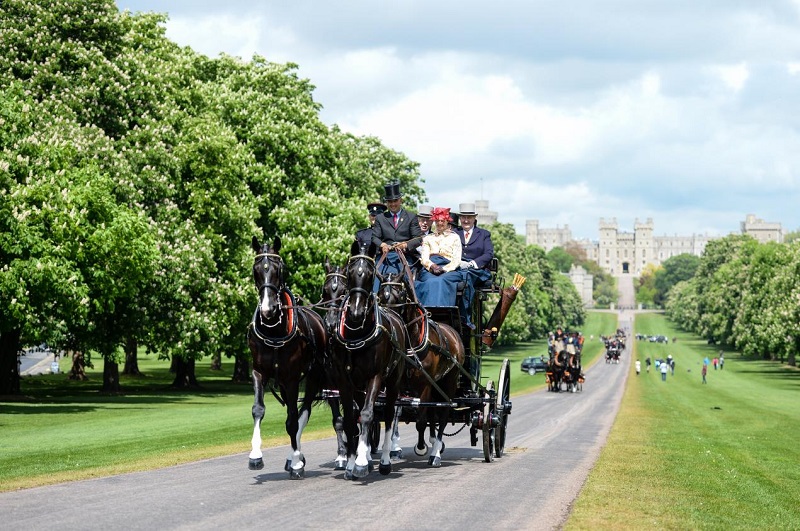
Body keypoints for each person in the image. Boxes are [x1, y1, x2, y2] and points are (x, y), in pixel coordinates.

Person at [371, 180, 423, 283]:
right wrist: (382, 245)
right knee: (376, 279)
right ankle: (375, 297)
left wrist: (405, 245)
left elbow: (418, 238)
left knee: (410, 281)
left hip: (404, 256)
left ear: (401, 200)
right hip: (385, 257)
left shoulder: (411, 217)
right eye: (390, 202)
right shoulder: (380, 218)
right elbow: (374, 237)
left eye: (395, 201)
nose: (393, 204)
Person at [414, 207, 463, 308]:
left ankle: (442, 310)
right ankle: (424, 312)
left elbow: (457, 259)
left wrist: (444, 269)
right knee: (429, 281)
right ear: (434, 221)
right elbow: (424, 258)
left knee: (440, 281)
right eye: (437, 221)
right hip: (430, 269)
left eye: (442, 221)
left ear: (447, 222)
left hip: (449, 270)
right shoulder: (428, 238)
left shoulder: (455, 237)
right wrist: (432, 266)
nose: (440, 223)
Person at [455, 202, 494, 328]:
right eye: (463, 217)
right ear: (460, 218)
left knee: (466, 277)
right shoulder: (454, 233)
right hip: (458, 267)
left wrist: (473, 263)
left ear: (474, 218)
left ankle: (465, 317)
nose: (466, 220)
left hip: (477, 270)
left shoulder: (483, 234)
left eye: (469, 217)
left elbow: (488, 254)